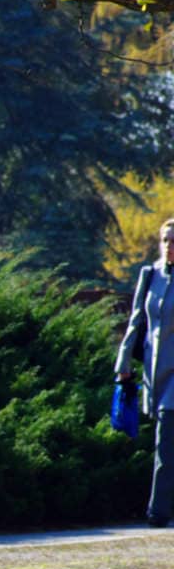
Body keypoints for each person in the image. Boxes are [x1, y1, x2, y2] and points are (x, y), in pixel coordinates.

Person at [116, 218, 174, 527]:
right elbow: (137, 321)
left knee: (166, 436)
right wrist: (123, 364)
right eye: (165, 240)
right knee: (163, 435)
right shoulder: (150, 276)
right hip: (155, 371)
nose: (169, 246)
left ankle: (158, 512)